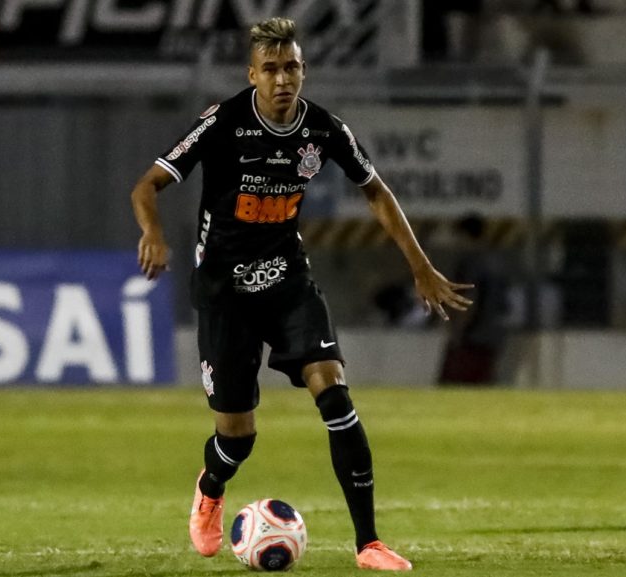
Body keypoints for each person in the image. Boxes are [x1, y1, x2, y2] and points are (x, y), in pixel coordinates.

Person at [129, 18, 473, 571]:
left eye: (291, 67)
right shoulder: (222, 123)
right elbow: (147, 185)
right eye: (271, 69)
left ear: (303, 71)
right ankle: (212, 487)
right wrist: (153, 232)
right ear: (253, 75)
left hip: (287, 278)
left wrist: (421, 266)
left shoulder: (324, 130)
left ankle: (369, 544)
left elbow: (377, 192)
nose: (283, 78)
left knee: (334, 394)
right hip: (224, 291)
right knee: (237, 436)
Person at [438, 215, 513, 384]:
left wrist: (457, 331)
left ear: (465, 235)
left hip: (472, 335)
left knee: (456, 385)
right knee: (482, 384)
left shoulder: (470, 262)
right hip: (493, 333)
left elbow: (470, 299)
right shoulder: (496, 261)